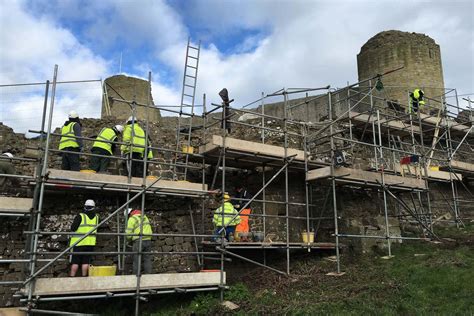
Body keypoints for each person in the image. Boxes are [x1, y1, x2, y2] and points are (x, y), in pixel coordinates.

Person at [69, 199, 98, 277]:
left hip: (78, 243)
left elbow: (73, 228)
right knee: (86, 262)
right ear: (94, 207)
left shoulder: (80, 216)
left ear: (85, 206)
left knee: (75, 262)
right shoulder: (97, 218)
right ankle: (84, 277)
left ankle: (72, 277)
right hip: (90, 243)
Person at [126, 208, 153, 274]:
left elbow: (128, 233)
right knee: (147, 259)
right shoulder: (144, 217)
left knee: (137, 260)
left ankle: (136, 277)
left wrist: (128, 239)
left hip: (138, 241)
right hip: (148, 240)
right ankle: (148, 276)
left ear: (129, 214)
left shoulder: (132, 219)